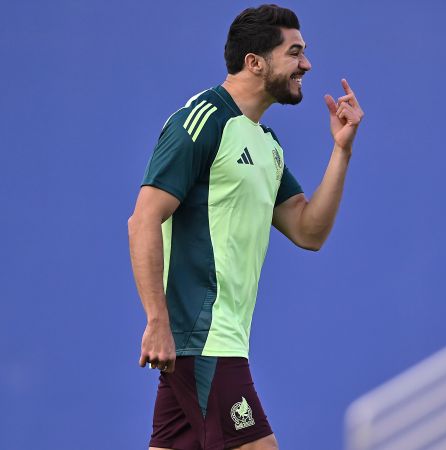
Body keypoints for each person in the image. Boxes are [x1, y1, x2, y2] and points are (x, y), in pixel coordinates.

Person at [128, 4, 364, 449]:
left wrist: (341, 151)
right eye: (294, 53)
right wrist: (156, 321)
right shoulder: (202, 121)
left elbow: (308, 230)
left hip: (218, 340)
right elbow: (143, 219)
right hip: (204, 337)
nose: (307, 65)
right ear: (255, 62)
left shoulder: (267, 145)